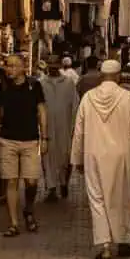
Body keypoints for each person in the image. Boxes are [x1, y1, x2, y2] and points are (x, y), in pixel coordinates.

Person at [70, 59, 130, 259]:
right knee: (123, 198)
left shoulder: (88, 98)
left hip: (93, 154)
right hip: (121, 155)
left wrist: (77, 158)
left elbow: (79, 131)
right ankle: (123, 241)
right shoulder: (127, 98)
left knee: (97, 199)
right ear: (119, 76)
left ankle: (105, 246)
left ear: (101, 76)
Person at [0, 53, 47, 236]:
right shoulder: (1, 89)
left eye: (14, 66)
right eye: (8, 66)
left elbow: (42, 111)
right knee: (11, 181)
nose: (10, 69)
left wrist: (44, 137)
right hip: (8, 140)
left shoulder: (34, 86)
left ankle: (29, 210)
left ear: (24, 67)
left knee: (31, 181)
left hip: (30, 140)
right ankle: (13, 223)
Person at [40, 56, 79, 201]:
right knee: (48, 158)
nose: (53, 66)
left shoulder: (69, 83)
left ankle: (63, 183)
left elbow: (75, 105)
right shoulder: (42, 83)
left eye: (56, 63)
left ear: (60, 65)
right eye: (51, 63)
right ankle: (51, 188)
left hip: (65, 126)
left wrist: (74, 126)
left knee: (65, 156)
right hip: (47, 127)